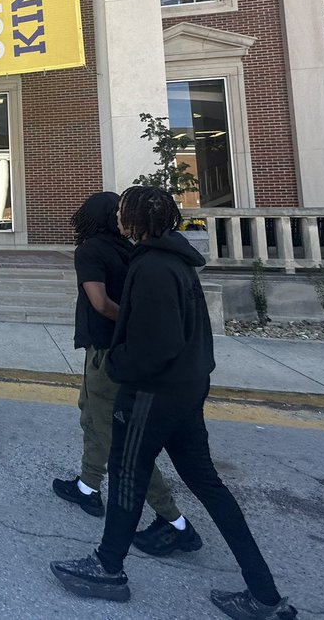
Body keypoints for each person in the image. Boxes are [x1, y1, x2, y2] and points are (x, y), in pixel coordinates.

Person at [51, 186, 296, 620]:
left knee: (127, 478)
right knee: (208, 486)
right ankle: (264, 594)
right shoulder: (175, 261)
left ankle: (108, 569)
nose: (118, 217)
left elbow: (155, 342)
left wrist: (120, 366)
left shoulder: (154, 267)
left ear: (136, 220)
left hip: (154, 392)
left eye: (124, 211)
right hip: (186, 387)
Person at [53, 192, 201, 557]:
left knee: (116, 437)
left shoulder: (89, 251)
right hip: (117, 351)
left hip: (106, 354)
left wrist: (133, 325)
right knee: (91, 415)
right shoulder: (129, 249)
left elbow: (100, 303)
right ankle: (88, 486)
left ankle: (173, 520)